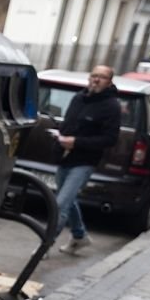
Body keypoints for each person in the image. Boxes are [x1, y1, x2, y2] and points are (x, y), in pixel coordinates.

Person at [52, 64, 122, 255]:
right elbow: (68, 124)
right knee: (68, 198)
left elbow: (110, 139)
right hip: (65, 158)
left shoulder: (111, 106)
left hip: (84, 161)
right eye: (93, 75)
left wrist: (76, 142)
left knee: (60, 204)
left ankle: (44, 245)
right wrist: (60, 139)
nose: (96, 80)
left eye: (102, 77)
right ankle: (79, 235)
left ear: (109, 82)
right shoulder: (78, 98)